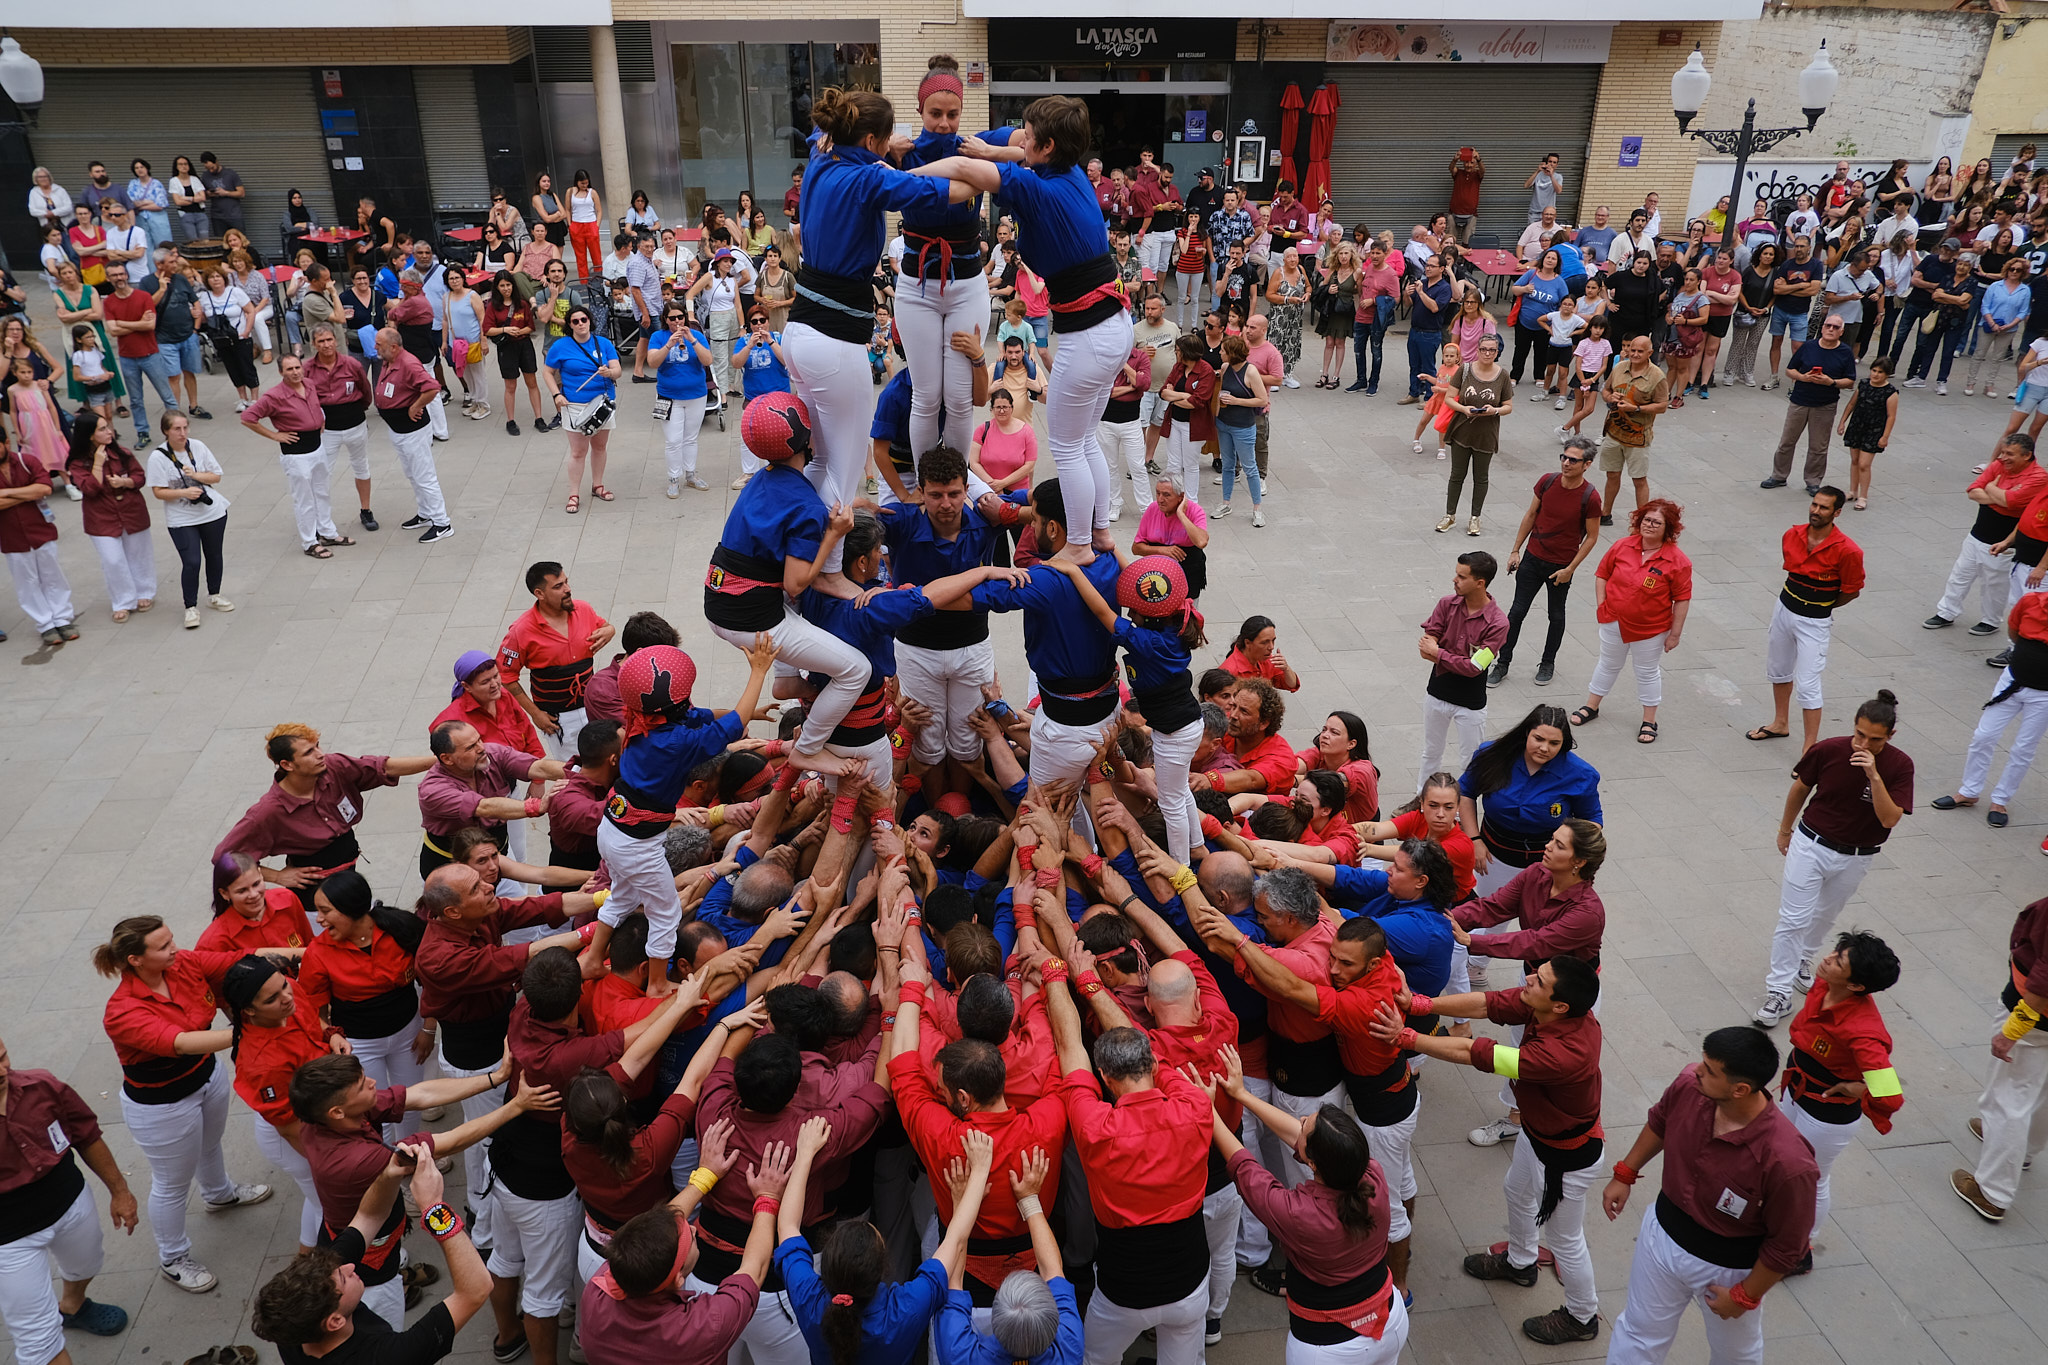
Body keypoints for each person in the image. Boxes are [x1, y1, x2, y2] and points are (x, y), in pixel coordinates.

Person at [913, 99, 1130, 563]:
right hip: (1111, 326)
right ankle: (1102, 534)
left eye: (1028, 135)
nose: (1020, 139)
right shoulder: (1068, 173)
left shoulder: (1037, 189)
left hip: (1088, 336)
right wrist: (993, 150)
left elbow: (959, 167)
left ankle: (1078, 547)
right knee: (1087, 439)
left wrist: (891, 180)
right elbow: (1010, 153)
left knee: (1068, 446)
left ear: (1047, 147)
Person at [1375, 955, 1604, 1345]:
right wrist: (1420, 1004)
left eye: (1540, 979)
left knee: (1565, 1238)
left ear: (1560, 1005)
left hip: (1565, 1156)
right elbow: (1487, 1003)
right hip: (1540, 1133)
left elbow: (1474, 1053)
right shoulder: (1548, 1009)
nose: (1529, 978)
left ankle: (1582, 1316)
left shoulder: (1561, 1054)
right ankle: (1519, 1262)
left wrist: (1407, 1038)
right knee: (1516, 1191)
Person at [1039, 922, 1213, 1365]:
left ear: (1106, 1079)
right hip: (1191, 1282)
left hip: (1122, 1291)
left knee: (1096, 1360)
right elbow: (1164, 1063)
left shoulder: (1095, 1126)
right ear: (1151, 1067)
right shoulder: (1194, 1106)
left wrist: (1056, 971)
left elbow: (1068, 1048)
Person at [1600, 1029, 1818, 1365]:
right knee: (1638, 1332)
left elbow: (1787, 1245)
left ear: (1740, 1089)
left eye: (1709, 1069)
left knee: (1735, 1356)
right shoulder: (1690, 1085)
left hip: (1729, 1270)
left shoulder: (1789, 1163)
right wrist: (1625, 1173)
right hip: (1660, 1238)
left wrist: (1745, 1296)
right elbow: (1661, 1120)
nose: (1696, 1070)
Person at [93, 916, 273, 1295]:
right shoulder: (122, 1010)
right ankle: (173, 1258)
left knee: (210, 1145)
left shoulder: (184, 964)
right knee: (172, 1184)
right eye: (162, 946)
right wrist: (257, 1025)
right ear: (135, 960)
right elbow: (180, 1043)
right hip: (162, 1106)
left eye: (171, 940)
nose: (174, 949)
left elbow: (246, 956)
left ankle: (219, 1193)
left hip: (207, 1077)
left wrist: (310, 953)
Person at [1754, 691, 1912, 1027]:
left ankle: (1802, 959)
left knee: (1825, 916)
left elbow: (1889, 818)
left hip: (1857, 855)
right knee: (1793, 918)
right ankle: (1778, 990)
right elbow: (1801, 787)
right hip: (1811, 844)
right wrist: (1785, 830)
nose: (1863, 745)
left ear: (1890, 736)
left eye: (1874, 739)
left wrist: (1874, 775)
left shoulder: (1899, 766)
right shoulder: (1828, 750)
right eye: (1859, 734)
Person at [0, 1031, 138, 1365]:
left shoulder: (42, 1085)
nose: (1, 1071)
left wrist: (120, 1191)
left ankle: (73, 1306)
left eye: (1, 1057)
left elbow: (86, 1135)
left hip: (70, 1202)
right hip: (8, 1238)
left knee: (87, 1263)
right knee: (38, 1341)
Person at [212, 724, 434, 907]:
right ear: (286, 765)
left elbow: (382, 768)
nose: (320, 755)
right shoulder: (267, 811)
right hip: (314, 897)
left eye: (317, 746)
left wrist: (438, 761)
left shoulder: (333, 767)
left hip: (348, 877)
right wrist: (278, 876)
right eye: (309, 752)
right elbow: (225, 856)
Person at [1952, 894, 2048, 1221]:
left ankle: (1992, 1192)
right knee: (2041, 1089)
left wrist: (2012, 1031)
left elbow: (2045, 978)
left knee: (2007, 1101)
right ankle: (2025, 1150)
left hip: (2035, 1019)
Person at [1747, 488, 1864, 749]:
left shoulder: (1848, 551)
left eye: (1824, 508)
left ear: (1837, 513)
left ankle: (1809, 749)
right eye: (1814, 505)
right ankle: (1780, 723)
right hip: (1784, 609)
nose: (1815, 511)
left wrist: (1821, 605)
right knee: (1778, 669)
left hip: (1814, 621)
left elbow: (1851, 591)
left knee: (1808, 685)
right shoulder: (1792, 534)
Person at [1574, 500, 1691, 745]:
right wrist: (1602, 605)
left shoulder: (1678, 562)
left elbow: (1681, 599)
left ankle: (1649, 721)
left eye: (1656, 522)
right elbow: (1602, 575)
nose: (1649, 525)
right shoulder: (1622, 545)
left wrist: (1675, 634)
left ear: (1667, 528)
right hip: (1612, 621)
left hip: (1650, 629)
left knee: (1647, 672)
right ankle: (1591, 706)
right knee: (1607, 664)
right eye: (1646, 520)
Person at [1490, 440, 1601, 689]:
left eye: (1573, 460)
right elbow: (1531, 515)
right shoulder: (1547, 481)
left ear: (1587, 465)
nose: (1566, 463)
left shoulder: (1590, 497)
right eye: (1564, 457)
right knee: (1516, 613)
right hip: (1532, 558)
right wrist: (1516, 550)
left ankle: (1547, 663)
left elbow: (1592, 537)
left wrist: (1570, 569)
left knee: (1556, 615)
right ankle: (1503, 663)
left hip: (1560, 567)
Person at [1931, 434, 2046, 635]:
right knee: (1960, 575)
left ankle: (1991, 621)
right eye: (2002, 452)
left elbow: (2011, 502)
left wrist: (1991, 487)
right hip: (1976, 534)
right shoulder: (1999, 465)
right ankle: (1946, 612)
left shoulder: (2038, 477)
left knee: (1995, 584)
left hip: (2003, 542)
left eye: (2010, 454)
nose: (2003, 458)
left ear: (2027, 456)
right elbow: (1972, 491)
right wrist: (2000, 497)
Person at [244, 352, 350, 560]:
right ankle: (310, 541)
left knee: (322, 492)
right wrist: (275, 435)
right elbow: (248, 418)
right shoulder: (274, 396)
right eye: (290, 369)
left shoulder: (309, 384)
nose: (295, 372)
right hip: (296, 454)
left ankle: (327, 532)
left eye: (297, 367)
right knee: (305, 499)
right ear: (281, 372)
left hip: (317, 447)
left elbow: (316, 405)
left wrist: (321, 420)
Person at [1416, 551, 1507, 784]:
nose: (1454, 580)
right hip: (1437, 693)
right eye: (1456, 574)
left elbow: (1475, 668)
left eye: (1461, 576)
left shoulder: (1498, 623)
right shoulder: (1447, 604)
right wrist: (1444, 655)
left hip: (1470, 703)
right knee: (1430, 753)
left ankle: (1462, 808)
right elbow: (1426, 646)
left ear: (1480, 583)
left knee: (1470, 760)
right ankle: (1420, 800)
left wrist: (1439, 654)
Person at [65, 413, 156, 623]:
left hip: (132, 511)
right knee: (112, 560)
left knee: (139, 554)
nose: (109, 432)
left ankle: (144, 591)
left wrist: (125, 483)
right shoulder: (78, 463)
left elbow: (140, 477)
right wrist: (97, 463)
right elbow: (90, 489)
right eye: (102, 429)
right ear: (89, 435)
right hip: (101, 517)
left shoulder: (122, 453)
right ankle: (123, 601)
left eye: (107, 427)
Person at [144, 411, 231, 628]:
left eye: (185, 428)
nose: (183, 433)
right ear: (166, 431)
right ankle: (190, 607)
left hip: (212, 513)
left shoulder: (198, 447)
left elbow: (216, 476)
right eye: (177, 429)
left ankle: (214, 594)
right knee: (192, 561)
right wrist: (183, 493)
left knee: (214, 554)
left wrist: (196, 476)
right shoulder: (158, 457)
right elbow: (158, 491)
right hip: (181, 518)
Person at [369, 326, 452, 543]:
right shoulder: (389, 360)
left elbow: (432, 388)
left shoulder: (409, 363)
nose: (375, 347)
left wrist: (416, 406)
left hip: (412, 431)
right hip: (398, 429)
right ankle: (425, 513)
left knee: (424, 476)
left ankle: (442, 523)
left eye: (379, 344)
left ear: (394, 347)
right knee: (412, 473)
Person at [1760, 314, 1857, 496]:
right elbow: (1790, 370)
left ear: (1841, 331)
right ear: (1822, 328)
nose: (1831, 329)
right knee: (1787, 441)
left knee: (1818, 447)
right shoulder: (1809, 346)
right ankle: (1779, 475)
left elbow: (1850, 380)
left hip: (1825, 404)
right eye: (1828, 325)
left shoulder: (1845, 352)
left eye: (1835, 327)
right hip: (1800, 401)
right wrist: (1803, 377)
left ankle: (1813, 481)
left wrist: (1831, 382)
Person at [541, 304, 620, 513]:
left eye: (583, 320)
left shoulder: (603, 343)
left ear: (589, 321)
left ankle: (598, 485)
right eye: (575, 321)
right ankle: (574, 493)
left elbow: (618, 370)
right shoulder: (560, 346)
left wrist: (609, 373)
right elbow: (547, 372)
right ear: (570, 325)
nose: (580, 324)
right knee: (578, 451)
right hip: (575, 404)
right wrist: (556, 395)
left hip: (602, 402)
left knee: (600, 447)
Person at [1436, 333, 1513, 537]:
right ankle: (1449, 515)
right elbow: (1450, 398)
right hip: (1463, 429)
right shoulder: (1466, 369)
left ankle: (1475, 518)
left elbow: (1508, 406)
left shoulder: (1503, 375)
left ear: (1497, 353)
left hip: (1486, 433)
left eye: (1492, 350)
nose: (1487, 353)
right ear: (1477, 351)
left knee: (1481, 477)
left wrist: (1494, 410)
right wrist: (1464, 409)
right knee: (1457, 475)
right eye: (1484, 349)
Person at [1595, 334, 1667, 524]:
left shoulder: (1657, 376)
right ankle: (1606, 513)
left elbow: (1662, 406)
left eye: (1639, 351)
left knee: (1638, 479)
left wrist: (1636, 408)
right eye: (1632, 350)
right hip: (1614, 432)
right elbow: (1605, 389)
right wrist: (1609, 397)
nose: (1634, 354)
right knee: (1612, 474)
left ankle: (1642, 518)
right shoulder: (1619, 367)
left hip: (1638, 438)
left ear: (1650, 353)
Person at [648, 303, 715, 498]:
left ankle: (691, 474)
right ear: (665, 320)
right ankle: (673, 479)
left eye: (680, 317)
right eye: (672, 318)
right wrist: (669, 344)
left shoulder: (697, 336)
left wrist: (692, 339)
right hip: (668, 396)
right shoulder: (658, 337)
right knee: (673, 440)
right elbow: (652, 362)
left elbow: (708, 360)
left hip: (696, 394)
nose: (677, 322)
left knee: (691, 438)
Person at [1213, 334, 1265, 525]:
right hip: (1224, 423)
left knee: (1250, 467)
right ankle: (1226, 502)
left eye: (1223, 351)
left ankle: (1257, 508)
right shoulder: (1225, 368)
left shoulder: (1250, 371)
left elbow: (1262, 399)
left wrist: (1237, 401)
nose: (1219, 353)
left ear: (1232, 354)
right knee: (1227, 465)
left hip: (1243, 426)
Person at [1398, 254, 1453, 403]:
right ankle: (1413, 393)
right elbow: (1409, 304)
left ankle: (1430, 397)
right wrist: (1407, 295)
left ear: (1442, 269)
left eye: (1432, 266)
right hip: (1415, 330)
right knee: (1414, 365)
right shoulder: (1422, 283)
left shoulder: (1444, 288)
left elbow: (1434, 308)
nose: (1428, 268)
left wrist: (1421, 292)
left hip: (1430, 333)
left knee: (1428, 368)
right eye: (1427, 265)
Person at [1222, 616, 1300, 692]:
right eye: (1264, 642)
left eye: (1273, 640)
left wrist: (1286, 668)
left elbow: (1292, 685)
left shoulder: (1268, 660)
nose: (1271, 647)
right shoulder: (1229, 673)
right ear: (1247, 643)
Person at [565, 170, 604, 282]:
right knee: (580, 257)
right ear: (577, 182)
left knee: (596, 255)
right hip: (576, 225)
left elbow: (599, 210)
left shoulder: (592, 192)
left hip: (591, 224)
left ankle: (599, 279)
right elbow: (567, 209)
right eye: (582, 183)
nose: (584, 185)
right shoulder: (570, 192)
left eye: (586, 183)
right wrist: (570, 224)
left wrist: (596, 226)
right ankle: (584, 281)